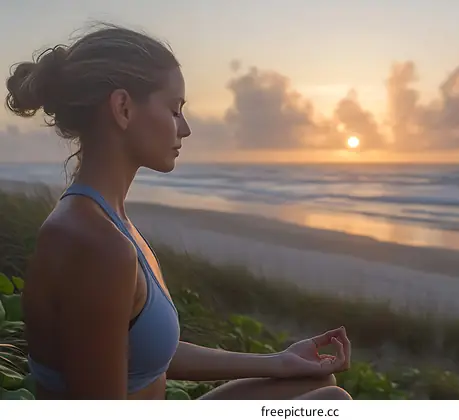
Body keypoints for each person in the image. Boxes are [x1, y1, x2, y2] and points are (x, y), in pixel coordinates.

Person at [5, 23, 353, 400]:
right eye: (174, 110)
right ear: (123, 108)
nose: (185, 129)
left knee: (314, 384)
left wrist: (280, 362)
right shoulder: (95, 245)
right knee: (331, 403)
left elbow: (144, 354)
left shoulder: (109, 222)